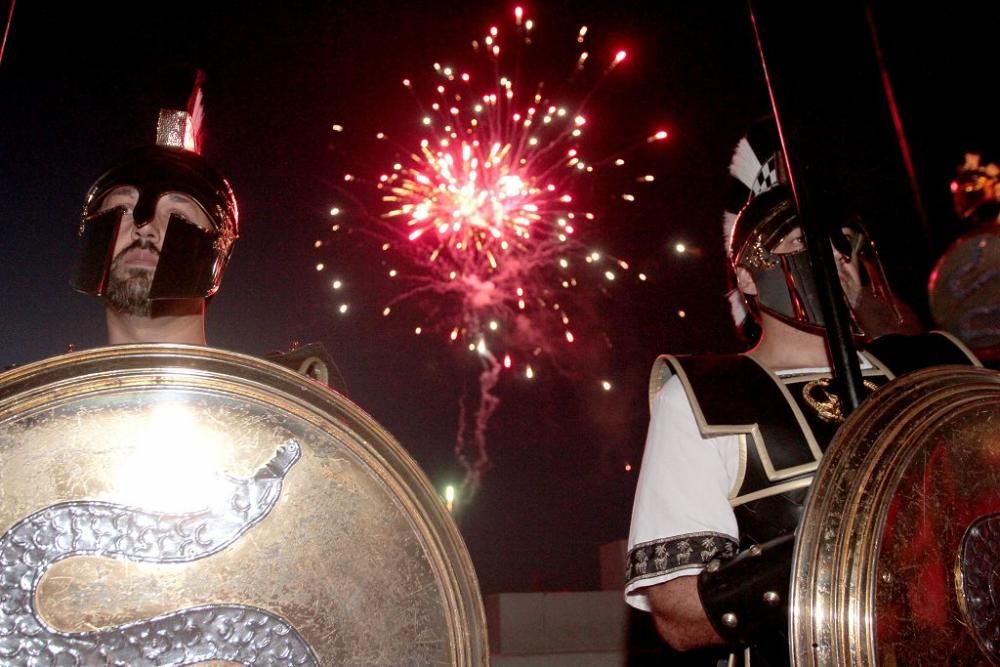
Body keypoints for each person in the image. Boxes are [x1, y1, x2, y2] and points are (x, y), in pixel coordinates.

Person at [623, 129, 980, 666]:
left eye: (841, 243)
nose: (830, 256)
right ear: (746, 276)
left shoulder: (933, 371)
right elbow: (678, 611)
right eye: (799, 242)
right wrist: (851, 555)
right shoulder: (705, 398)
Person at [71, 71, 239, 346]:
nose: (145, 226)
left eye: (177, 215)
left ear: (222, 246)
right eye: (123, 208)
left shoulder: (277, 391)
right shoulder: (33, 390)